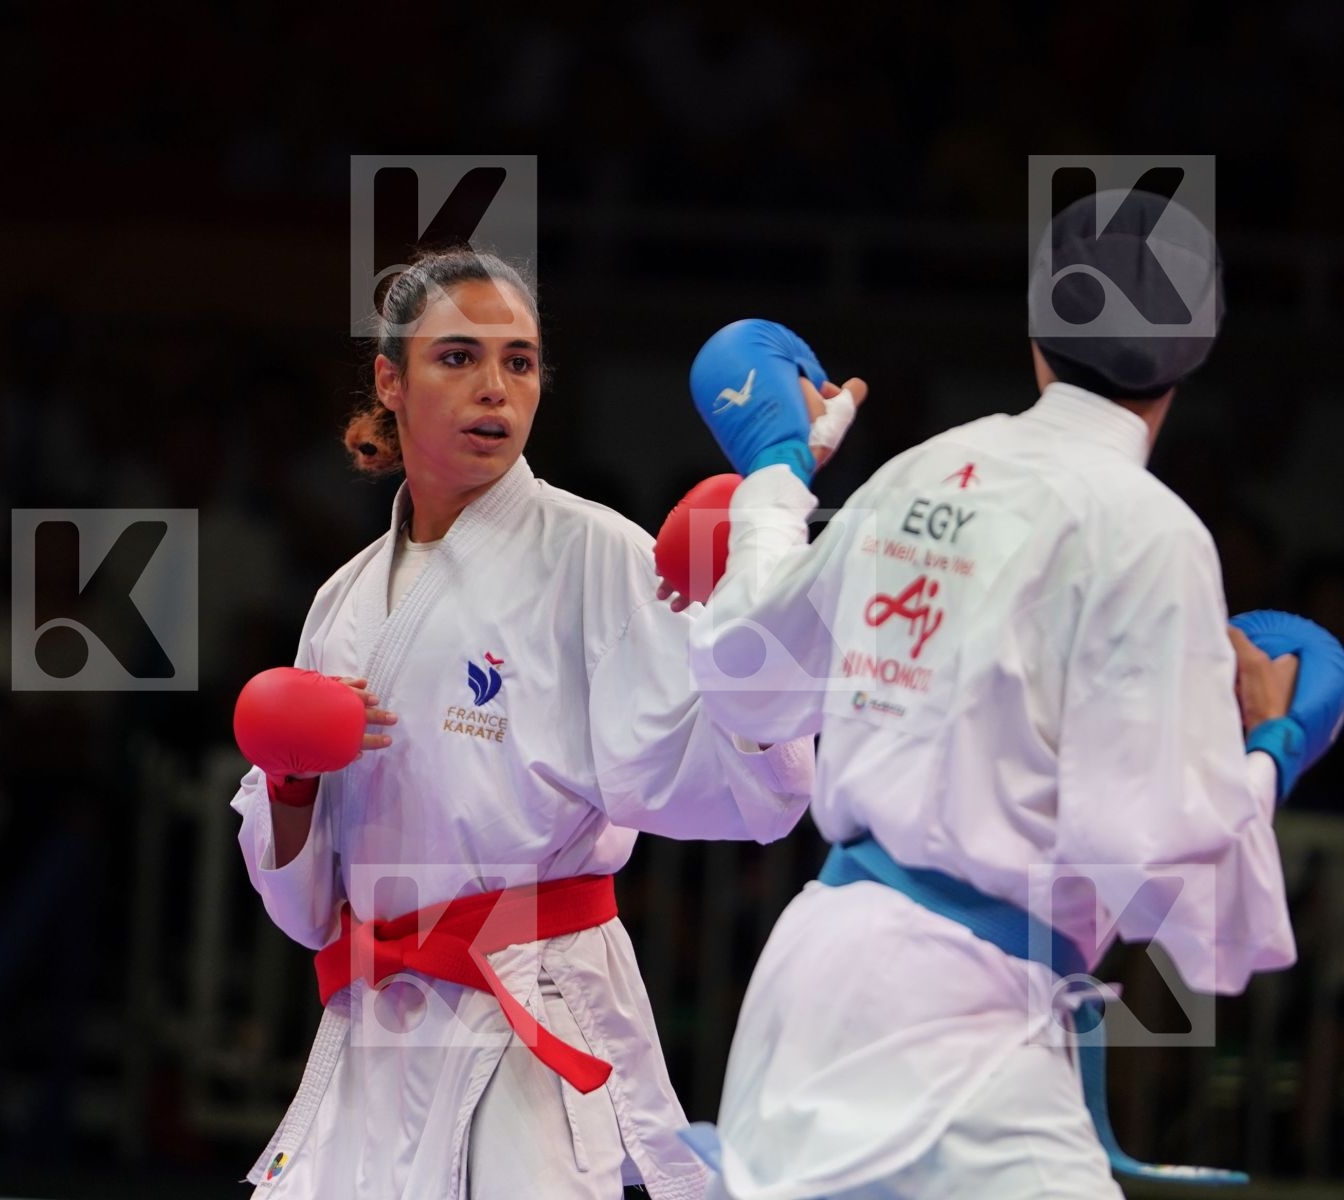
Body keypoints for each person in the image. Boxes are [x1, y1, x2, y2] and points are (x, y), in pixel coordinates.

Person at [671, 191, 1344, 1197]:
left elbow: (748, 680)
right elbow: (1182, 896)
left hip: (822, 982)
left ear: (1036, 329)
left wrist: (776, 473)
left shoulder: (925, 469)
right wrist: (1271, 743)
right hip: (957, 1028)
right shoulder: (1149, 534)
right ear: (1194, 354)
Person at [227, 246, 850, 1199]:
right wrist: (290, 784)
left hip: (532, 1004)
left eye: (519, 362)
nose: (495, 388)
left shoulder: (596, 555)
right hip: (377, 1019)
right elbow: (309, 912)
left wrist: (749, 639)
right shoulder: (343, 601)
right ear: (390, 381)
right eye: (457, 358)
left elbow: (744, 796)